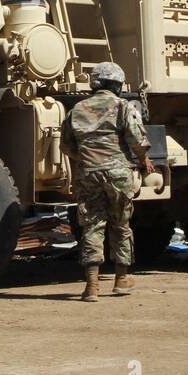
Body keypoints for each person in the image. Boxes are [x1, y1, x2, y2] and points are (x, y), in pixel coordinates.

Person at [60, 61, 154, 302]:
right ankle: (121, 281)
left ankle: (91, 286)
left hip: (88, 174)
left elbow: (66, 145)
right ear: (116, 85)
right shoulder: (122, 106)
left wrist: (87, 159)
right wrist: (144, 160)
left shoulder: (77, 109)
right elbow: (136, 139)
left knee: (92, 225)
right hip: (117, 175)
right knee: (120, 224)